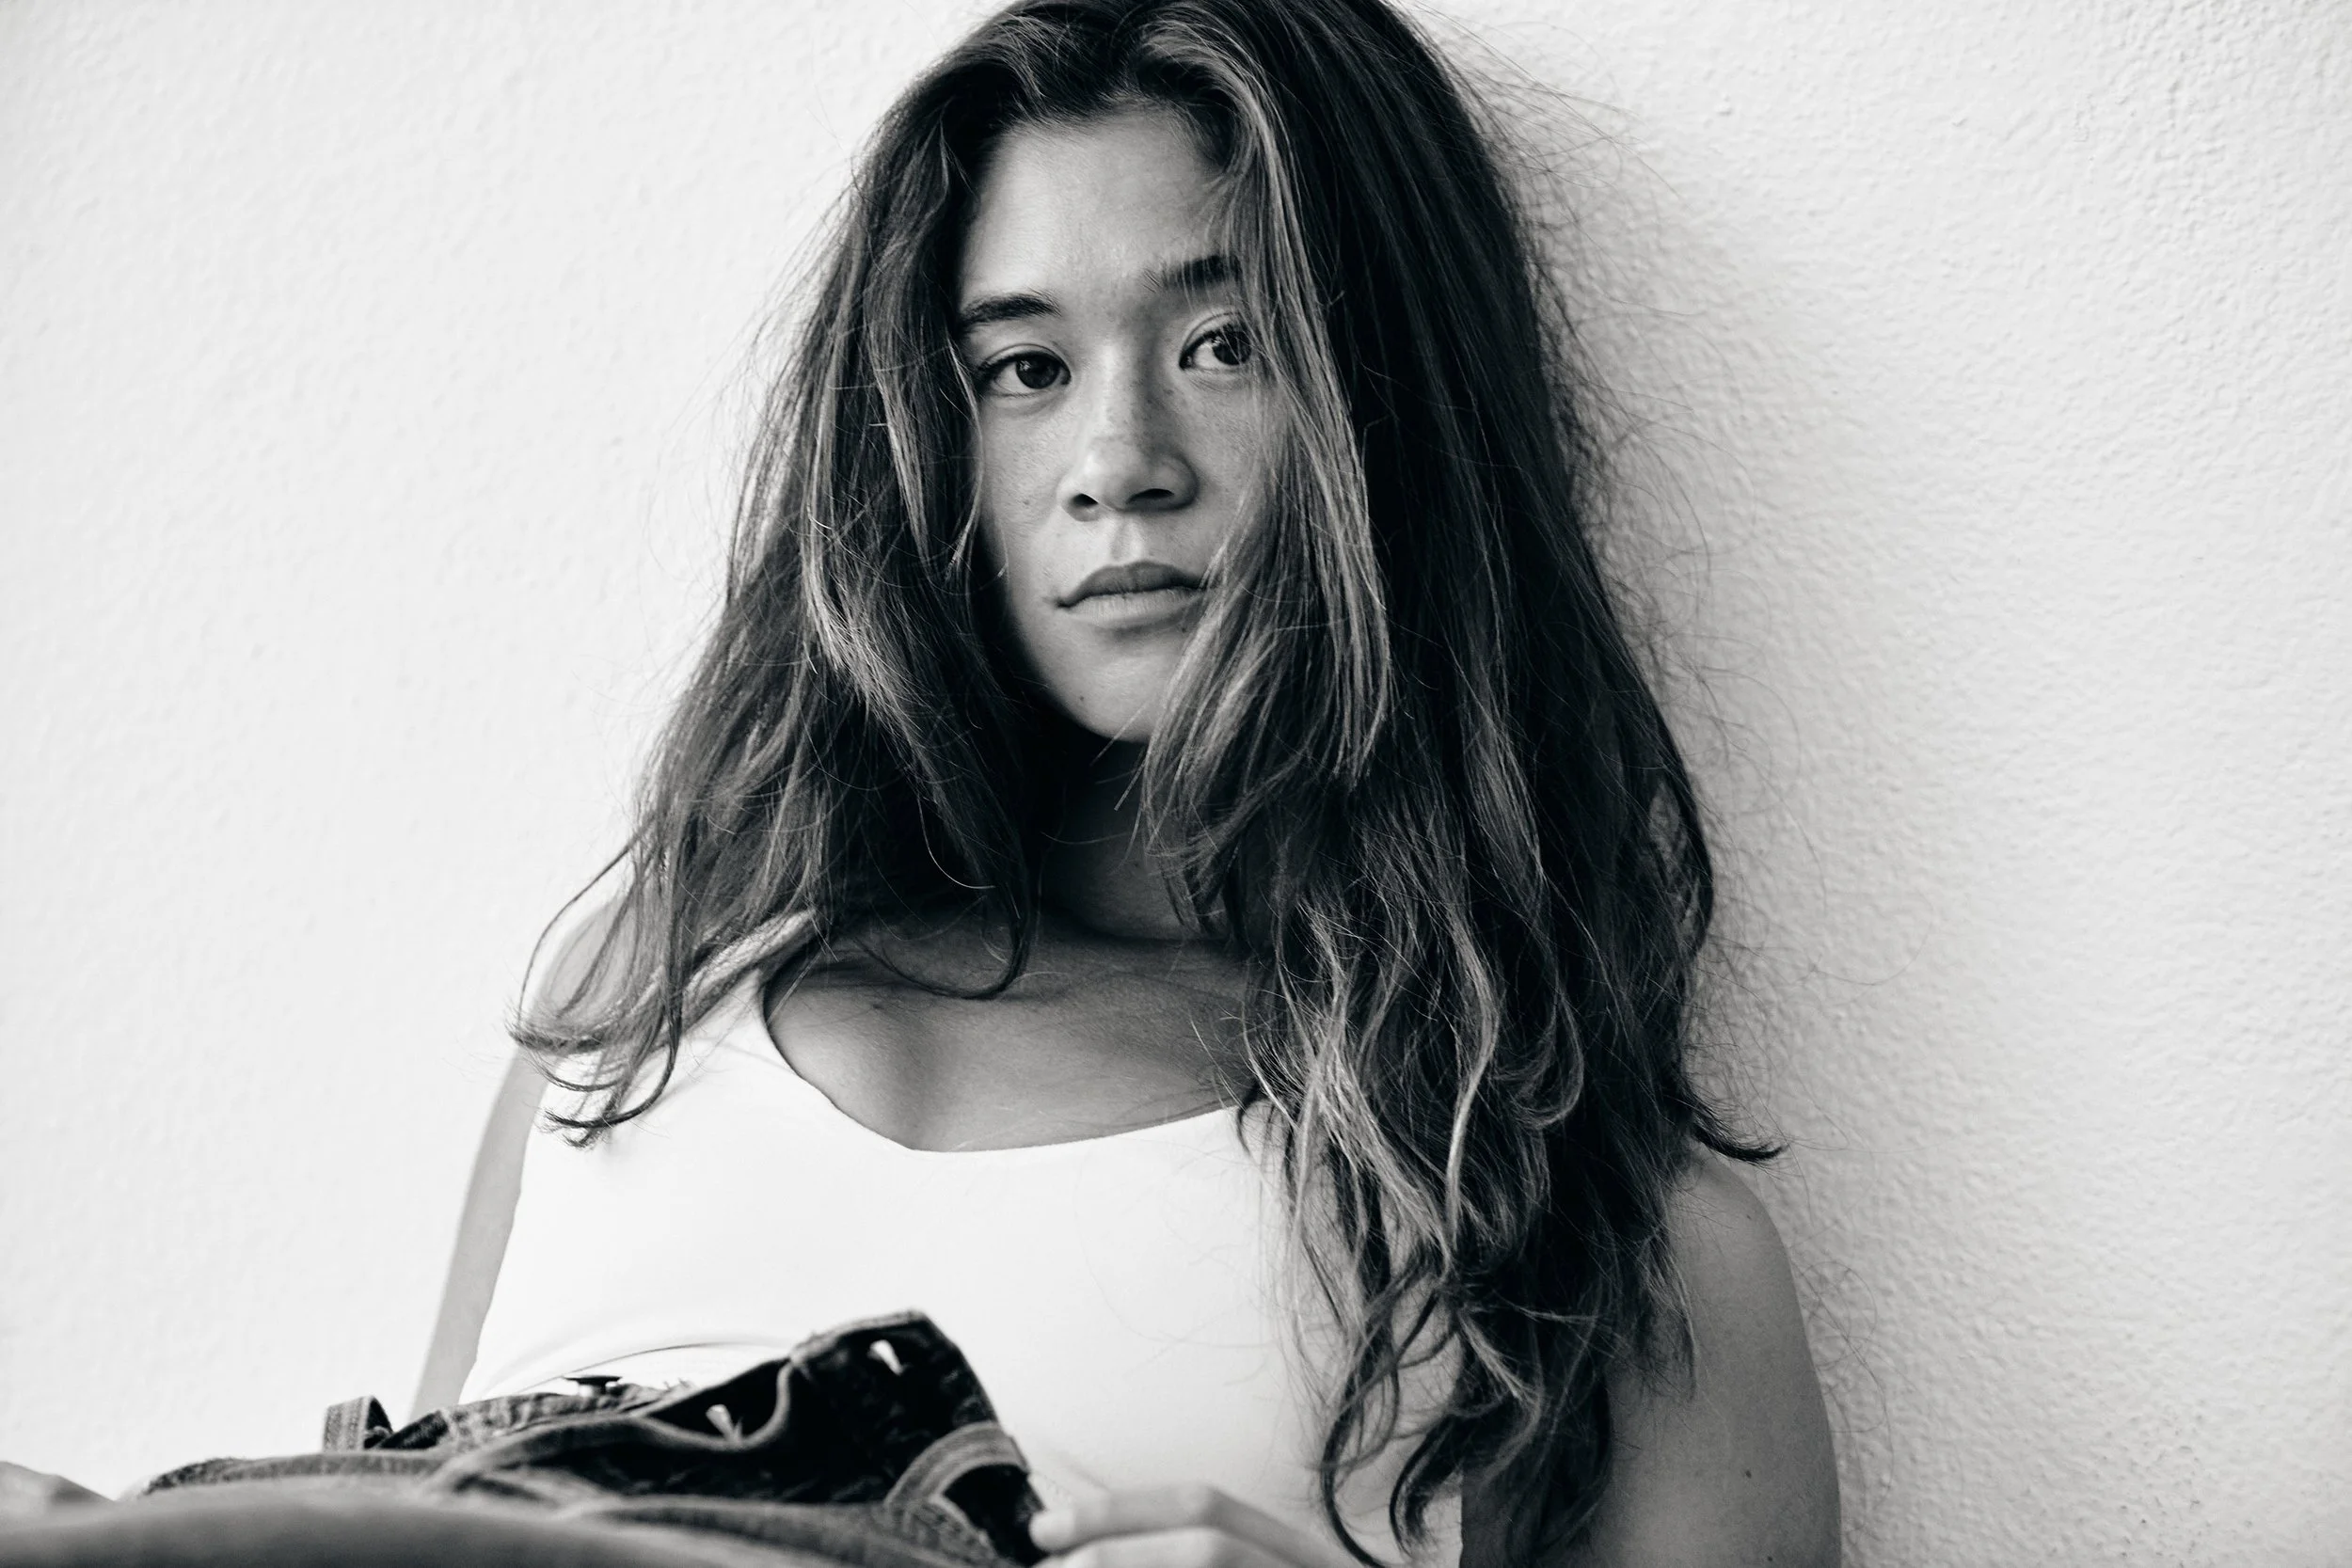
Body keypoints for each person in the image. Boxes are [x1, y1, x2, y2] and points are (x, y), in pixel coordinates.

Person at [5, 1, 1836, 1564]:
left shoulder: (1615, 1244)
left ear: (1397, 399)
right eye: (1022, 366)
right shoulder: (645, 1006)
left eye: (1222, 342)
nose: (1116, 460)